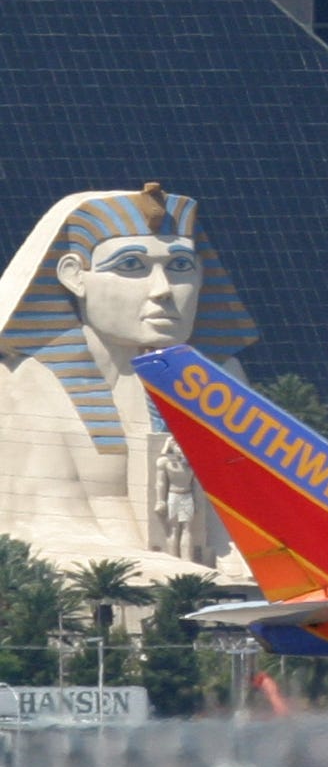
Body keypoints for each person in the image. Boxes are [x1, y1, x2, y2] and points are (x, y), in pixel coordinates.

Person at [0, 184, 257, 575]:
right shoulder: (25, 381)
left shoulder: (218, 377)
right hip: (96, 572)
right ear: (74, 276)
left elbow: (248, 523)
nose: (163, 291)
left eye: (180, 266)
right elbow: (40, 533)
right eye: (132, 266)